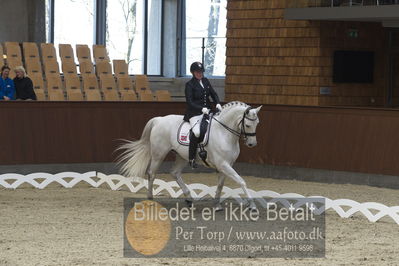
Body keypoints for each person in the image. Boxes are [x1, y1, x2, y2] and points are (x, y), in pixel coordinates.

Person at [184, 61, 222, 168]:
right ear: (193, 73)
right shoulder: (189, 85)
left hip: (208, 111)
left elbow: (213, 94)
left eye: (201, 72)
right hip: (194, 113)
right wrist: (202, 109)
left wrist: (217, 103)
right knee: (196, 132)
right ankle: (191, 159)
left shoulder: (205, 81)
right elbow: (190, 102)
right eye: (197, 72)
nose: (200, 74)